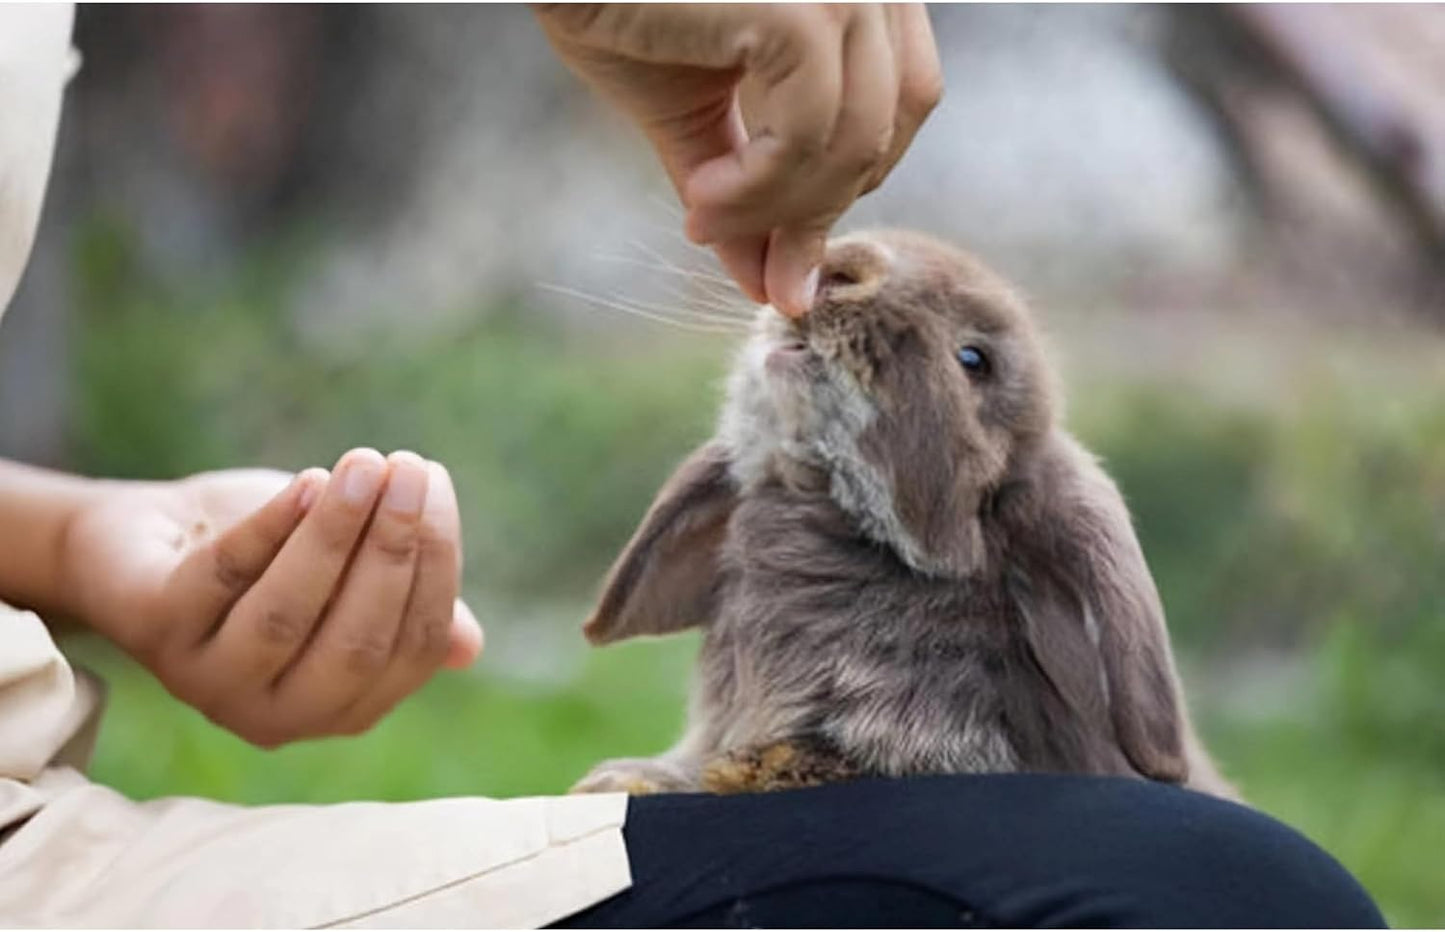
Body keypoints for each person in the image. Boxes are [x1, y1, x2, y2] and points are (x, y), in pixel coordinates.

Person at [0, 4, 1384, 928]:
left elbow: (1147, 746)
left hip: (63, 839)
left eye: (968, 363)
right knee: (1213, 900)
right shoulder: (763, 508)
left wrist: (76, 544)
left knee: (1244, 894)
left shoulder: (1046, 521)